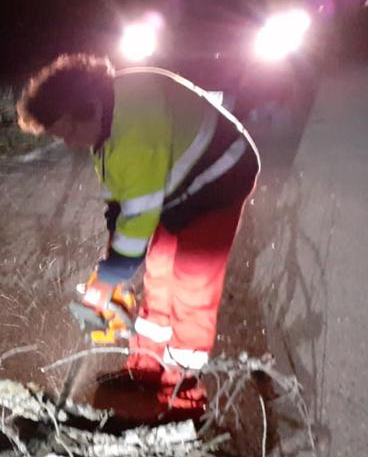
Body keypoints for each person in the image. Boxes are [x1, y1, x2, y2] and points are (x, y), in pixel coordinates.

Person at [15, 53, 260, 415]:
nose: (67, 142)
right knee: (158, 272)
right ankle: (145, 367)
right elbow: (121, 209)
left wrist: (109, 278)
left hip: (217, 181)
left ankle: (183, 391)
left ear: (82, 109)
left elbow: (140, 216)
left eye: (66, 131)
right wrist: (109, 271)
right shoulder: (105, 121)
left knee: (190, 285)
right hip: (176, 184)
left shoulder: (133, 127)